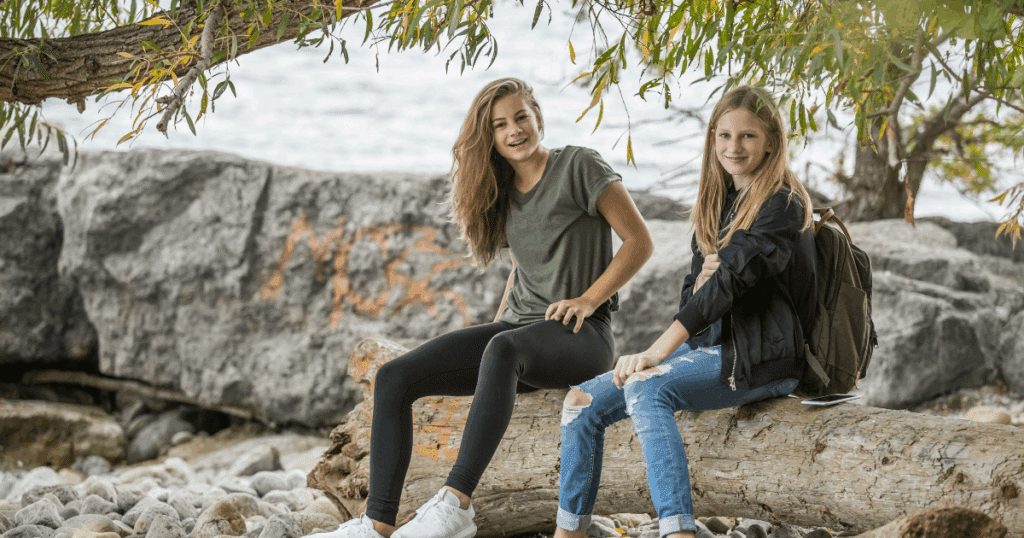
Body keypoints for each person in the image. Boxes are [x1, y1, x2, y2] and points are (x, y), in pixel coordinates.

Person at [311, 77, 654, 538]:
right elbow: (522, 267)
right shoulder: (502, 189)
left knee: (503, 348)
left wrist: (588, 299)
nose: (514, 130)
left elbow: (639, 241)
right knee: (394, 376)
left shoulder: (579, 165)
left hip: (581, 335)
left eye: (521, 117)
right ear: (488, 137)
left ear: (538, 117)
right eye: (499, 125)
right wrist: (495, 329)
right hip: (518, 337)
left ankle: (455, 505)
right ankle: (377, 524)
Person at [553, 85, 818, 538]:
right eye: (724, 135)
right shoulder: (717, 202)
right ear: (712, 138)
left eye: (748, 136)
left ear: (771, 142)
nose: (733, 147)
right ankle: (569, 532)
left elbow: (730, 283)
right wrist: (701, 284)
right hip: (713, 349)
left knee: (646, 387)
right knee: (581, 403)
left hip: (765, 358)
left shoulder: (783, 204)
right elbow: (695, 298)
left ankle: (677, 531)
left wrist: (656, 352)